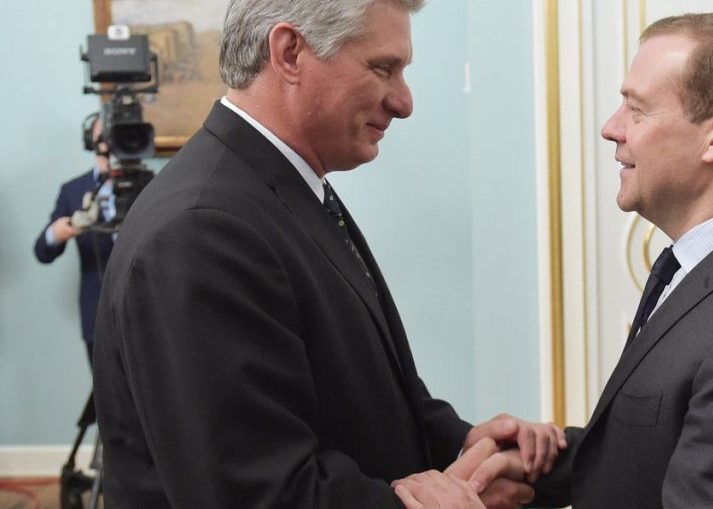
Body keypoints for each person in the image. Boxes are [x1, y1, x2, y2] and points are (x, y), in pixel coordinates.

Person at [92, 1, 562, 508]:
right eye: (383, 68)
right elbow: (257, 492)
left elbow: (365, 400)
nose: (404, 102)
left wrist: (470, 447)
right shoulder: (201, 229)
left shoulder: (283, 189)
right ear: (290, 52)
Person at [491, 12, 713, 508]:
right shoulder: (712, 272)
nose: (611, 128)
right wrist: (537, 465)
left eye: (636, 110)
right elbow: (654, 451)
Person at [34, 114, 114, 367]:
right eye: (103, 134)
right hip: (97, 311)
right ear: (90, 140)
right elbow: (42, 251)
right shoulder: (73, 190)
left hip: (147, 310)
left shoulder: (148, 185)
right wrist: (55, 233)